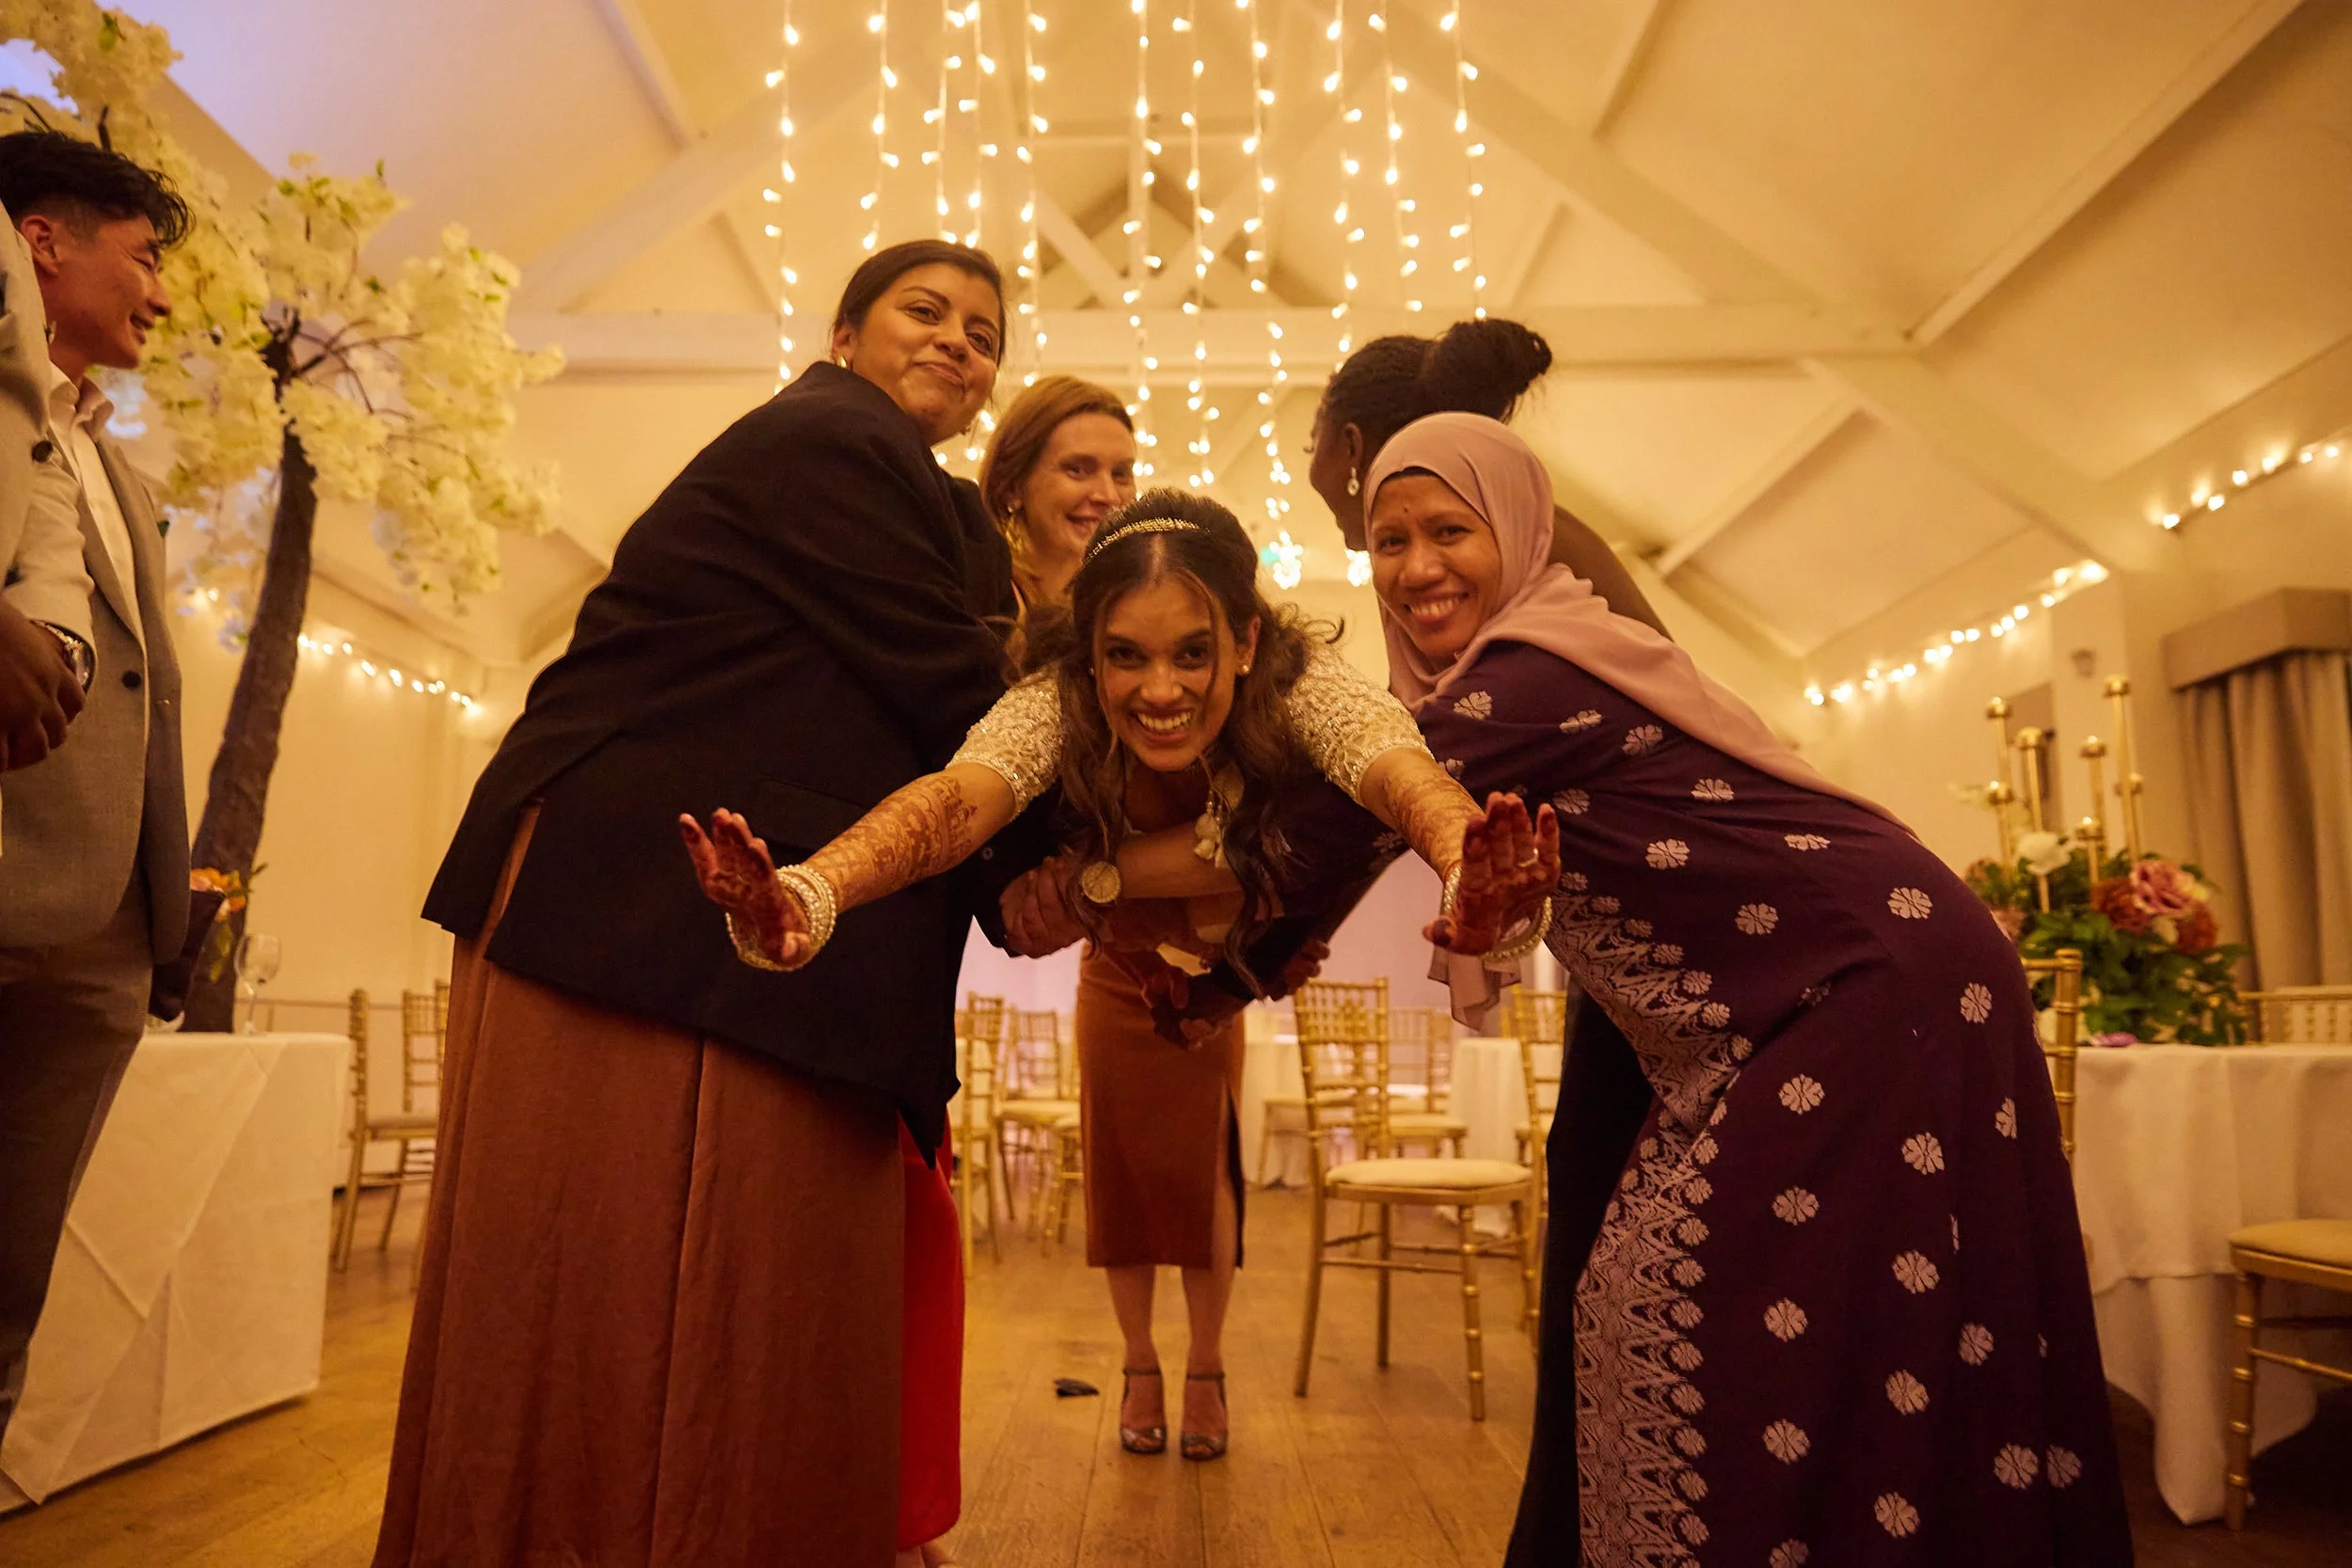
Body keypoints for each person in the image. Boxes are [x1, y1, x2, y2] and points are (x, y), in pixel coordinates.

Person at [1366, 413, 2132, 1564]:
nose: (1417, 566)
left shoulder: (1528, 673)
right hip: (1863, 984)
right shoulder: (1538, 654)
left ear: (1518, 531)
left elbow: (1326, 820)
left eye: (1448, 529)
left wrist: (1102, 870)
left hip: (1870, 989)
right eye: (1386, 538)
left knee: (1682, 1309)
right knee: (1820, 1320)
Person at [386, 239, 1037, 1568]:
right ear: (846, 331)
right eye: (928, 310)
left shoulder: (939, 505)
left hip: (725, 916)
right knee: (609, 1267)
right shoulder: (826, 441)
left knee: (737, 1285)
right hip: (622, 894)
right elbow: (959, 685)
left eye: (985, 331)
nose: (959, 342)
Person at [682, 490, 1559, 1467]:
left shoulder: (1308, 684)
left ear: (1244, 640)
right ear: (1087, 654)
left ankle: (1207, 1368)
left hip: (1230, 970)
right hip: (1120, 971)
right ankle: (1140, 1363)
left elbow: (1399, 771)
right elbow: (954, 803)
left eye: (1191, 651)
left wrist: (1461, 858)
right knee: (1124, 1178)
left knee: (1205, 1179)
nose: (1160, 689)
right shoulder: (1052, 703)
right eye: (1126, 656)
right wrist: (813, 890)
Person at [0, 131, 192, 1444]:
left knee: (10, 1280)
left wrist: (161, 915)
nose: (165, 298)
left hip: (104, 924)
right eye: (146, 258)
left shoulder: (120, 471)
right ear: (42, 242)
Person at [974, 372, 1135, 611]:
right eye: (1078, 470)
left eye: (1120, 473)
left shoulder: (1132, 602)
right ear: (1012, 486)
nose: (1109, 496)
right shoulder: (982, 600)